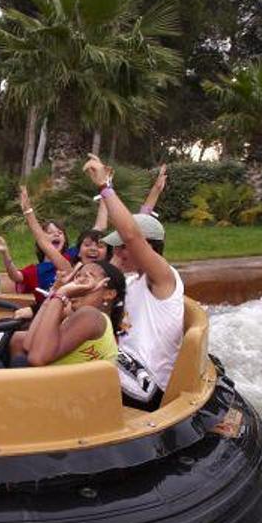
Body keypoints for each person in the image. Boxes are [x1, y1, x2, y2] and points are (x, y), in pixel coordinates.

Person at [83, 156, 183, 409]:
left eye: (123, 247)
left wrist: (105, 187)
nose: (118, 252)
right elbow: (97, 281)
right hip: (121, 366)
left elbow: (132, 234)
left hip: (146, 386)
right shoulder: (133, 280)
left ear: (146, 248)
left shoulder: (163, 279)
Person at [7, 260, 127, 368]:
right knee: (17, 341)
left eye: (87, 279)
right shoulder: (80, 316)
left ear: (109, 294)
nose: (78, 285)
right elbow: (29, 344)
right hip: (62, 386)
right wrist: (54, 294)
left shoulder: (92, 316)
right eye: (77, 277)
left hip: (67, 390)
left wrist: (61, 293)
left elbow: (37, 358)